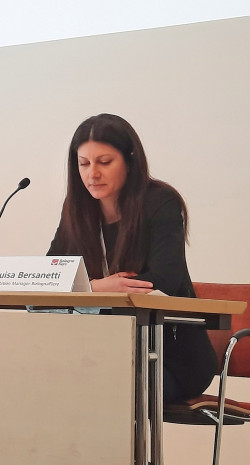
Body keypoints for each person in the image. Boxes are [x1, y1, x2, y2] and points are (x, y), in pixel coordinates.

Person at [46, 113, 217, 403]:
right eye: (83, 164)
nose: (92, 174)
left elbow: (163, 280)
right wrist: (98, 287)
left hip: (169, 358)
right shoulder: (76, 209)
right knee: (43, 383)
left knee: (94, 395)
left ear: (130, 160)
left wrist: (83, 289)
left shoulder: (160, 202)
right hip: (103, 352)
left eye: (104, 162)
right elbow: (48, 277)